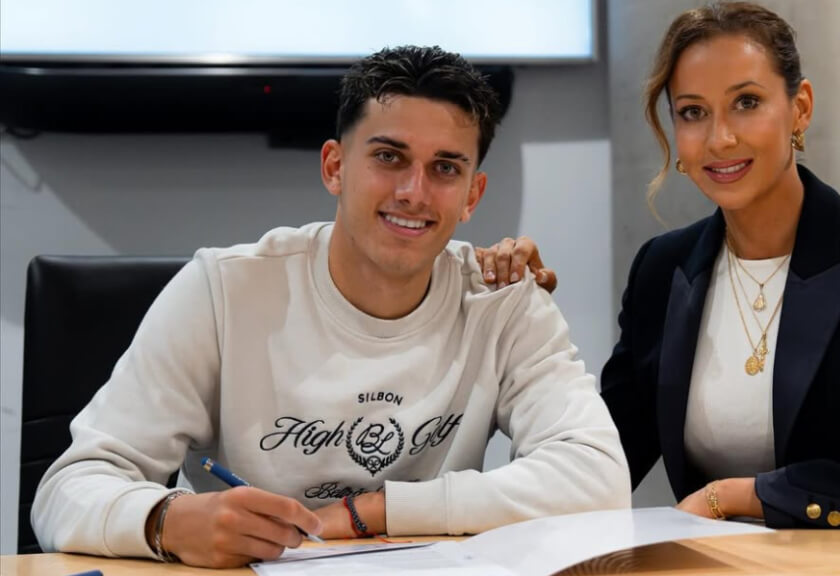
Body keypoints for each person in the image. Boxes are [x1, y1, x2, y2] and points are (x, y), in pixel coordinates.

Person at [31, 45, 630, 568]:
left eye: (444, 168)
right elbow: (66, 490)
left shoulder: (504, 299)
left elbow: (598, 478)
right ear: (335, 167)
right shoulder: (223, 290)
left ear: (472, 195)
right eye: (389, 157)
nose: (413, 192)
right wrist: (165, 521)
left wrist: (378, 511)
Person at [480, 2, 840, 528]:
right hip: (715, 560)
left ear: (800, 108)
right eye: (693, 112)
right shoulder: (662, 270)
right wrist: (523, 323)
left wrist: (743, 496)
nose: (719, 138)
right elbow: (599, 463)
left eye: (746, 102)